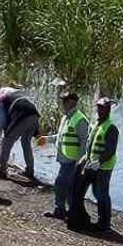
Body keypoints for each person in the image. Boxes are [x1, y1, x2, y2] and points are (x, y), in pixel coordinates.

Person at [43, 91, 89, 220]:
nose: (62, 104)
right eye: (62, 101)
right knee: (67, 187)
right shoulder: (65, 118)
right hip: (65, 159)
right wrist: (47, 139)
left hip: (73, 161)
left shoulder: (80, 119)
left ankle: (61, 210)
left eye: (65, 101)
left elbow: (84, 142)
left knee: (60, 184)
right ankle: (70, 211)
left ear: (73, 102)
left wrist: (80, 163)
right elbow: (61, 136)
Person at [0, 86, 40, 180]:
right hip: (34, 112)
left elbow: (2, 122)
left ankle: (2, 170)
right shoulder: (8, 96)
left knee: (7, 142)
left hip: (22, 113)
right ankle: (30, 170)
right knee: (26, 142)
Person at [85, 97, 119, 232]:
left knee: (102, 194)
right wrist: (87, 160)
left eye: (103, 108)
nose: (100, 110)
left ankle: (105, 224)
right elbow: (90, 144)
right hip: (94, 165)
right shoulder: (97, 124)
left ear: (108, 110)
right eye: (98, 108)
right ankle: (101, 221)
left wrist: (98, 162)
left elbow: (110, 150)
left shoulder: (111, 127)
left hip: (104, 167)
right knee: (96, 192)